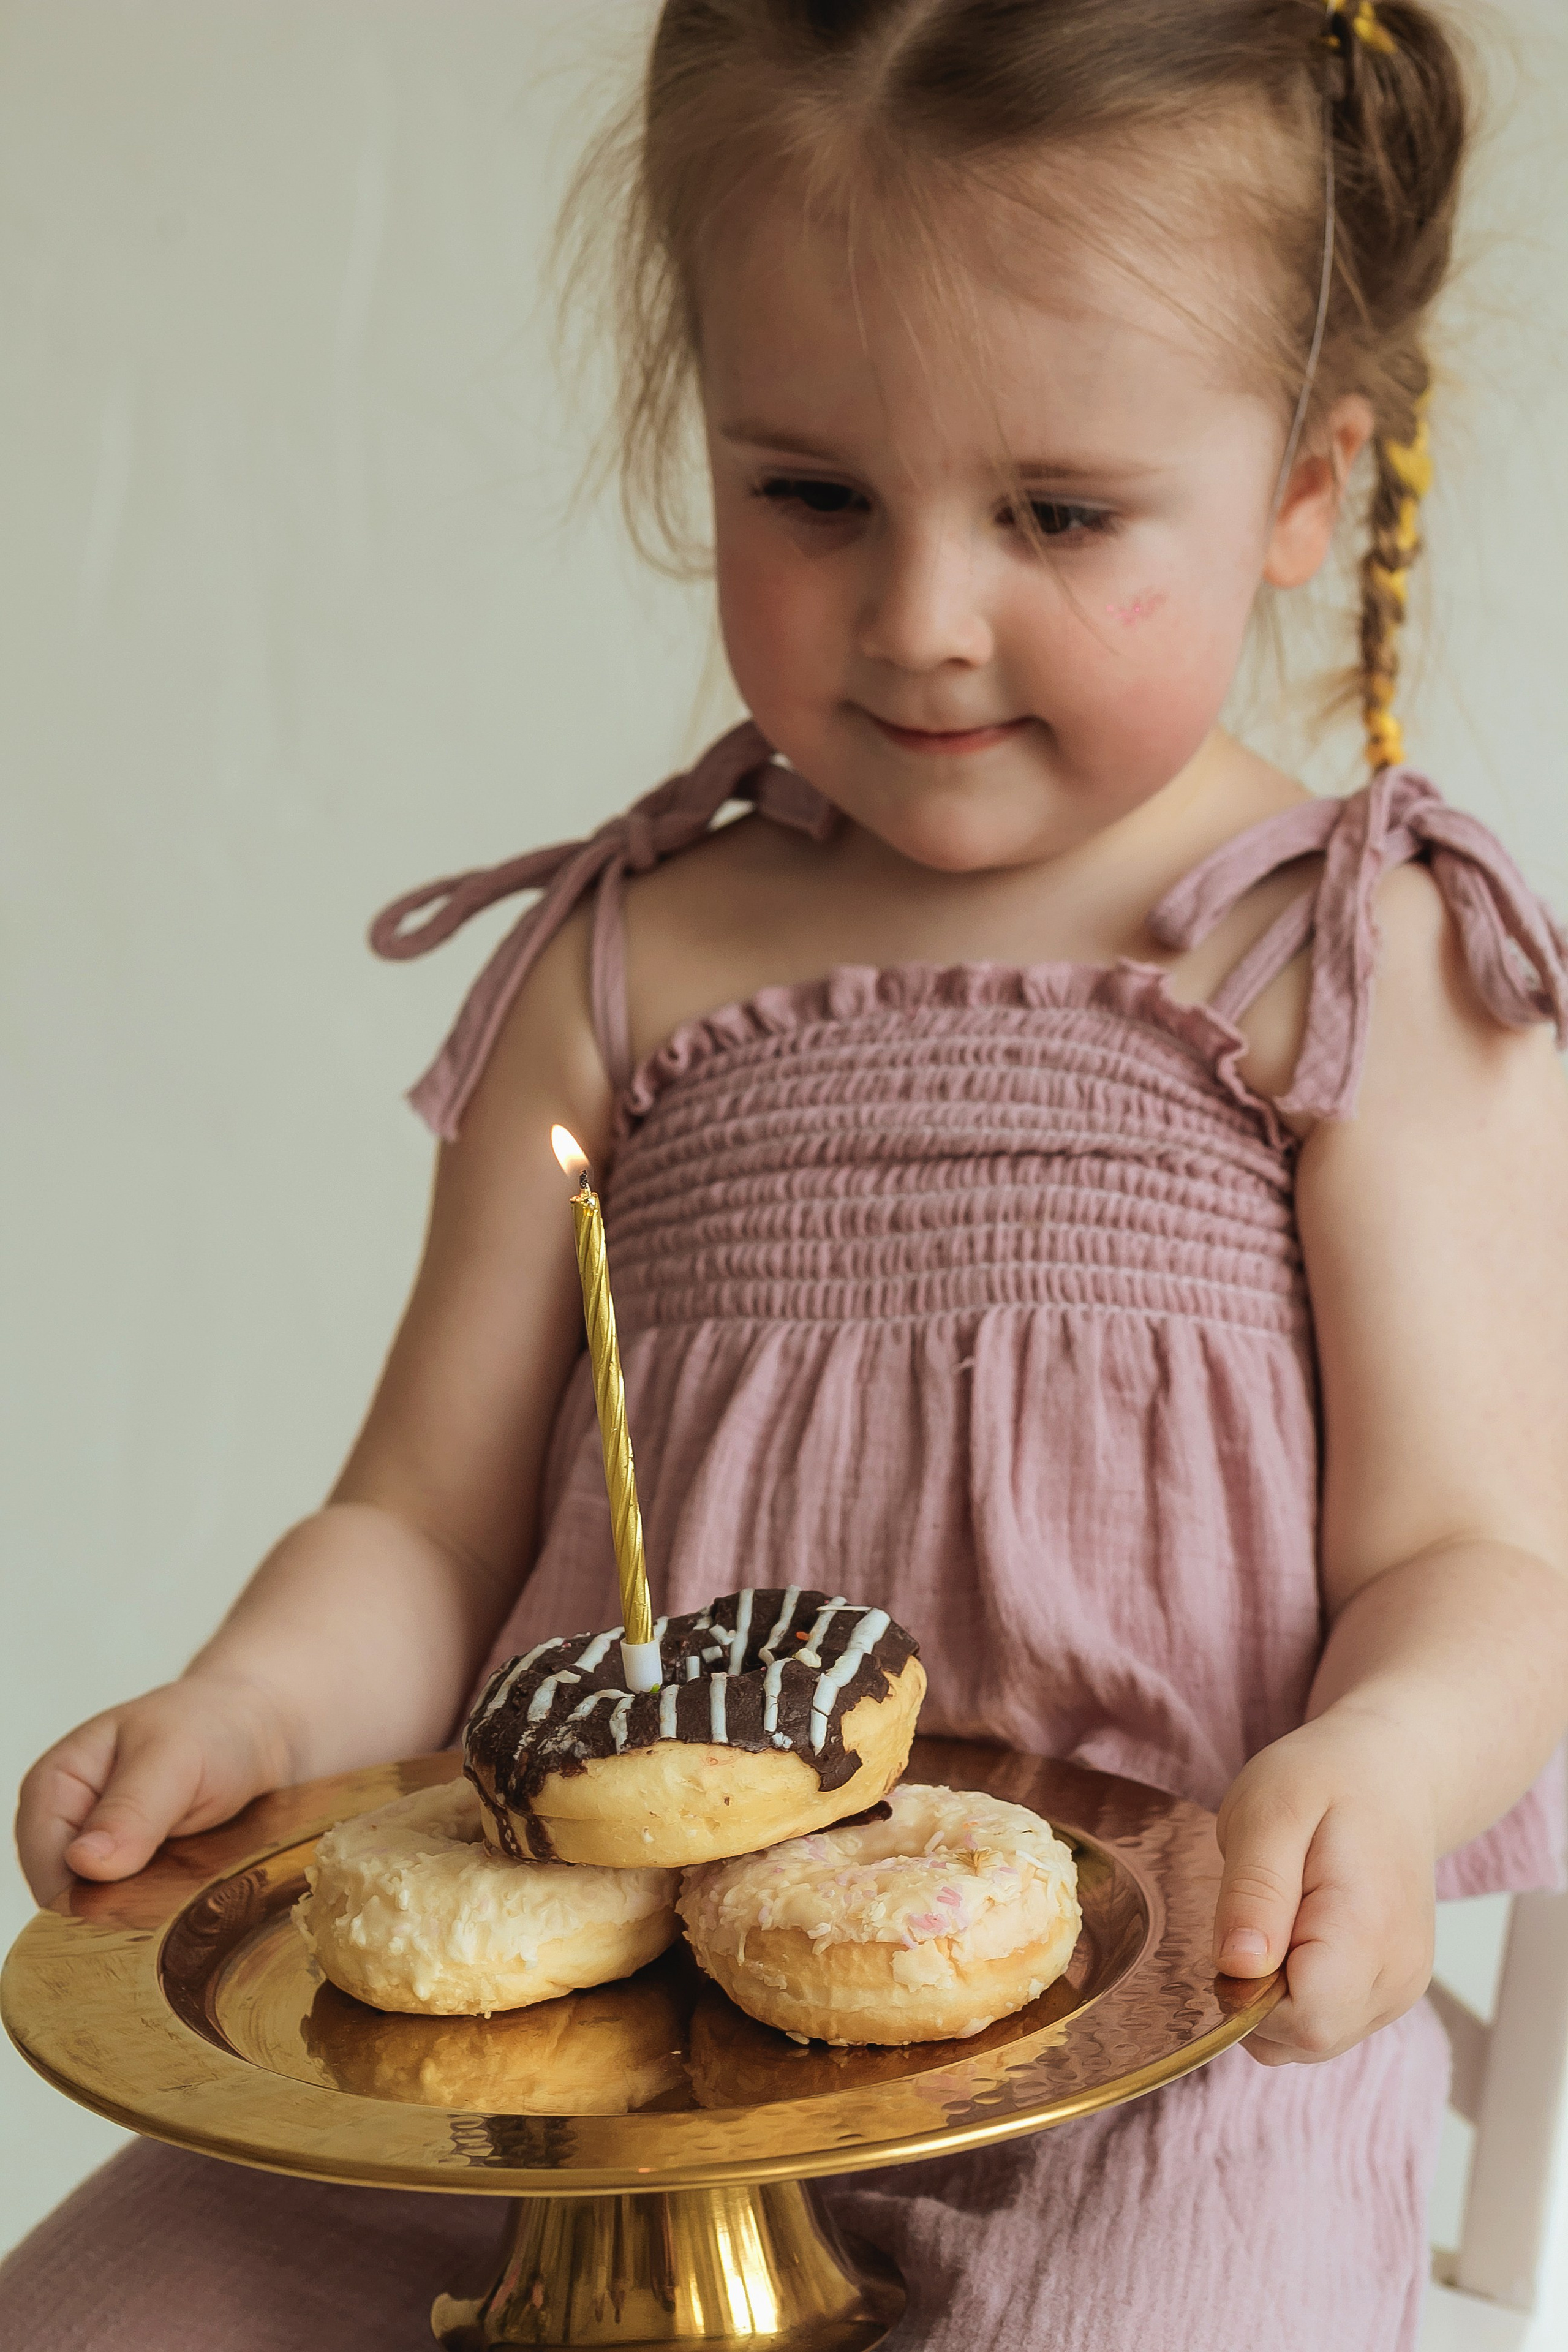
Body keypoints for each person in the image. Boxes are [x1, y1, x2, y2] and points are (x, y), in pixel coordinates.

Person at [9, 2, 1568, 2345]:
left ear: (1305, 489)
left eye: (1055, 514)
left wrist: (1380, 1754)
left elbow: (1480, 1560)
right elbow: (421, 1529)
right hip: (590, 2058)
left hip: (1144, 2088)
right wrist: (250, 1706)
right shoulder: (634, 959)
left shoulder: (1342, 962)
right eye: (816, 494)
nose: (924, 616)